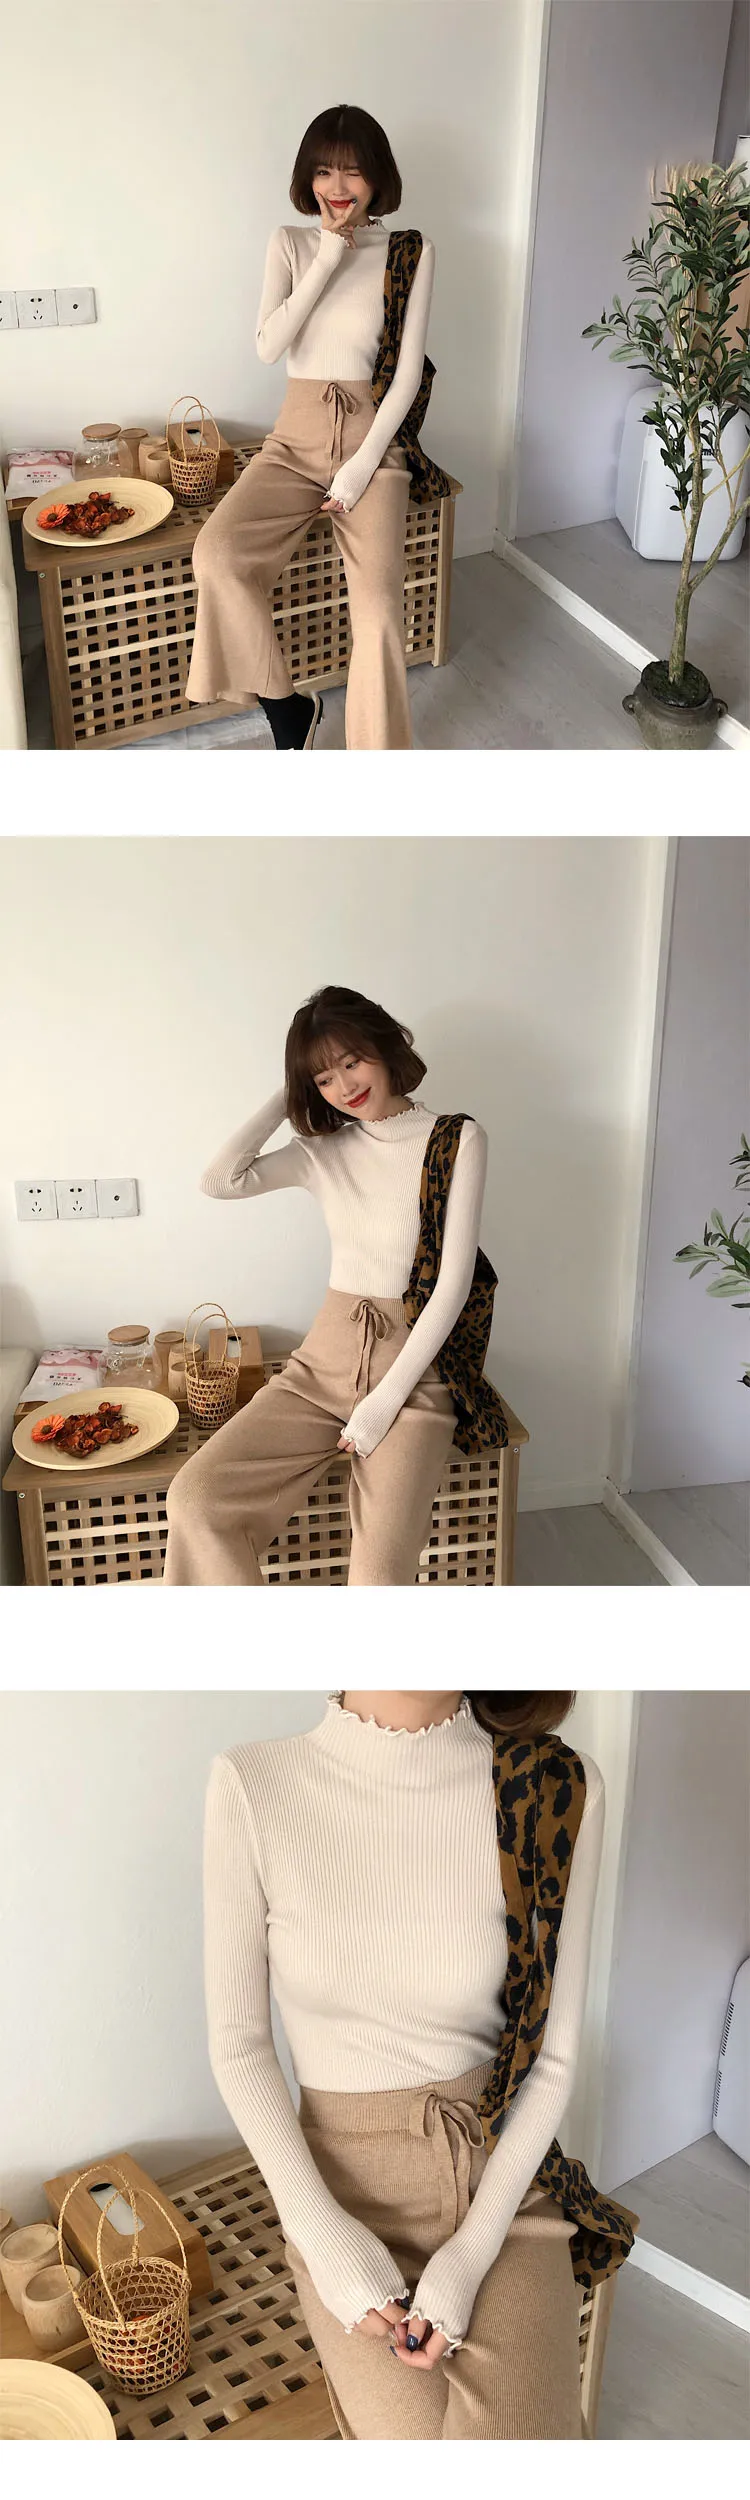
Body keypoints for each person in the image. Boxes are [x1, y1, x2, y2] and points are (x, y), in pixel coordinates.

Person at [203, 1686, 605, 2440]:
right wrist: (322, 2235)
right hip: (342, 2197)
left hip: (499, 2185)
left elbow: (553, 2061)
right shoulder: (254, 1784)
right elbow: (239, 2045)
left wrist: (471, 2253)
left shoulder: (553, 1786)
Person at [164, 987, 488, 1587]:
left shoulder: (455, 1139)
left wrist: (383, 1404)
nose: (343, 1086)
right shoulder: (321, 1150)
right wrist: (290, 1093)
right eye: (323, 1078)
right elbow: (219, 1181)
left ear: (385, 1047)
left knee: (379, 1575)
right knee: (197, 1497)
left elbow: (453, 1286)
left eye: (351, 1061)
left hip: (413, 1378)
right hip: (318, 1369)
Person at [185, 104, 436, 750]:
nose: (338, 187)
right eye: (324, 171)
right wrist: (326, 254)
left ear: (377, 176)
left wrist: (359, 469)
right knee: (217, 555)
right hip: (292, 443)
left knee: (379, 614)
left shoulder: (409, 252)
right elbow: (269, 346)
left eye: (352, 171)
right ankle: (288, 709)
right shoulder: (290, 244)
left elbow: (407, 375)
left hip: (373, 448)